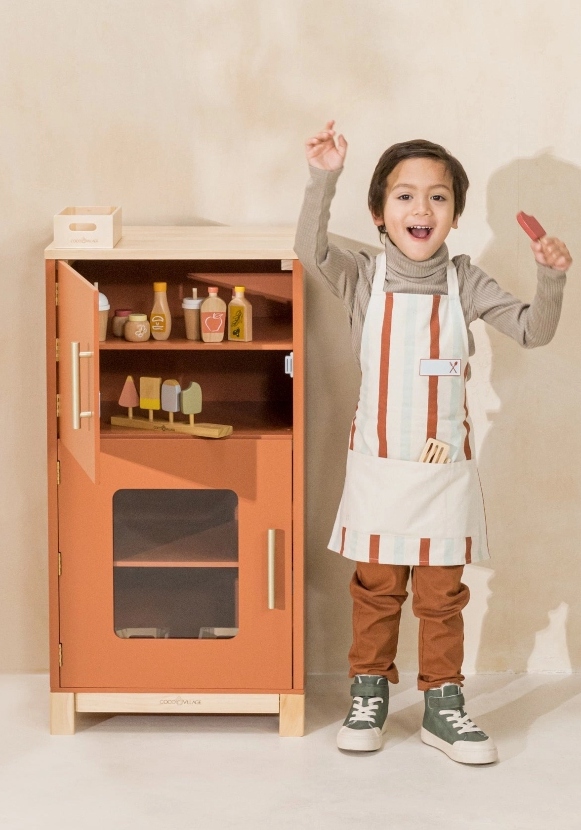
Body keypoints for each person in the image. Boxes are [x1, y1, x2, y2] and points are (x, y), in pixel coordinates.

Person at [295, 120, 571, 764]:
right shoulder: (361, 277)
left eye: (438, 197)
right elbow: (310, 248)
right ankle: (370, 691)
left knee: (443, 596)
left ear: (455, 215)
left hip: (444, 471)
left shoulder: (466, 282)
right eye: (405, 196)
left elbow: (533, 332)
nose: (422, 208)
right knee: (376, 589)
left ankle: (444, 704)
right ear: (380, 213)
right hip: (380, 468)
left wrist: (551, 278)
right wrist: (323, 176)